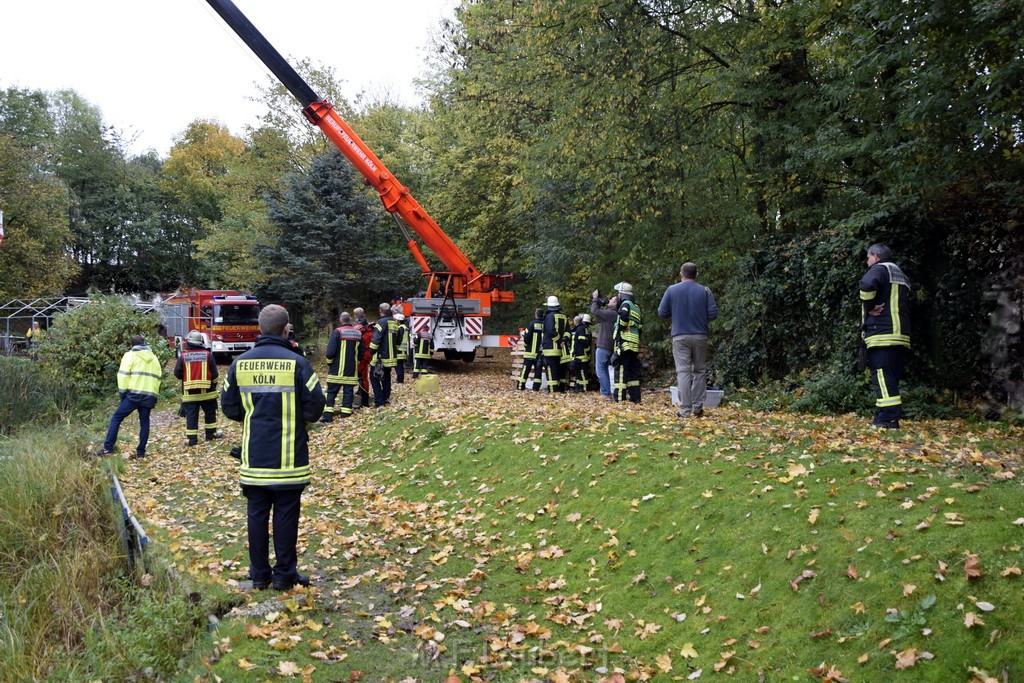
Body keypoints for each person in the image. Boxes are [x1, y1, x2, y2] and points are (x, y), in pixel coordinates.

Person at [220, 304, 326, 591]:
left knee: (255, 516)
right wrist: (295, 417)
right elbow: (317, 406)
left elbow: (228, 407)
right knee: (286, 517)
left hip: (253, 457)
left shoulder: (239, 364)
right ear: (285, 328)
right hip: (290, 458)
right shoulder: (298, 363)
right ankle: (284, 576)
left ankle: (258, 575)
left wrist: (254, 416)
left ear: (259, 328)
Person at [860, 243, 911, 429]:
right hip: (901, 334)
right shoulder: (900, 274)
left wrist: (870, 306)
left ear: (875, 256)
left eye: (868, 257)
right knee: (891, 378)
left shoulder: (879, 269)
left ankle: (886, 420)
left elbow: (866, 286)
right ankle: (886, 417)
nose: (867, 261)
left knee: (882, 377)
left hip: (882, 333)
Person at [658, 262, 719, 418]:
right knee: (699, 371)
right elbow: (713, 314)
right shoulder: (705, 291)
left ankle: (685, 410)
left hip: (680, 336)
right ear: (696, 275)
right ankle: (698, 407)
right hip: (700, 335)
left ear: (681, 274)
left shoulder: (672, 290)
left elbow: (662, 312)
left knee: (683, 372)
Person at [97, 335, 162, 458]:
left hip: (133, 395)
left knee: (116, 418)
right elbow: (158, 377)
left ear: (132, 345)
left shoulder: (130, 355)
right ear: (144, 343)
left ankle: (108, 448)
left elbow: (123, 375)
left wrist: (123, 394)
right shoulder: (154, 358)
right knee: (144, 422)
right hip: (149, 395)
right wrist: (154, 395)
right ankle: (141, 452)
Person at [173, 330, 222, 445]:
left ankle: (192, 440)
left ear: (189, 342)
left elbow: (177, 374)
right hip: (208, 393)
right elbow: (215, 374)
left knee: (191, 416)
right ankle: (210, 435)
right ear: (201, 342)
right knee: (210, 413)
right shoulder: (208, 355)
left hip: (190, 395)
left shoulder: (183, 356)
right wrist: (213, 385)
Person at [321, 312, 362, 422]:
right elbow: (361, 353)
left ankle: (327, 416)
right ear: (350, 320)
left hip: (336, 370)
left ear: (341, 320)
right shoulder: (358, 333)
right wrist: (355, 363)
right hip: (351, 370)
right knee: (348, 392)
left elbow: (330, 352)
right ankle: (345, 415)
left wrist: (330, 362)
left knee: (331, 392)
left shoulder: (337, 332)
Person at [612, 282, 643, 403]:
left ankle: (619, 398)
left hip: (624, 342)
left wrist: (622, 327)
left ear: (622, 293)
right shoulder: (637, 307)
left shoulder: (625, 304)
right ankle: (635, 398)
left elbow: (624, 316)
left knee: (621, 369)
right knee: (633, 371)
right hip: (634, 343)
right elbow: (640, 326)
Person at [590, 291, 619, 398]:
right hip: (610, 346)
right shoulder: (614, 314)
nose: (609, 300)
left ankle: (605, 393)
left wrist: (595, 299)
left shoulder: (611, 313)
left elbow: (595, 311)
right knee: (605, 370)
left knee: (601, 370)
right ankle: (606, 392)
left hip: (604, 346)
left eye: (612, 299)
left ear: (615, 304)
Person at [369, 303, 398, 407]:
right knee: (386, 378)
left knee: (374, 377)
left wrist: (370, 352)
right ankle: (386, 399)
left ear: (380, 312)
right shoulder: (395, 323)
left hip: (380, 357)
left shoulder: (380, 323)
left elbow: (375, 340)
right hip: (391, 357)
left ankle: (379, 401)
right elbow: (398, 340)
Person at [541, 296, 568, 394]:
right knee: (558, 369)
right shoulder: (564, 317)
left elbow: (550, 331)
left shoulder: (549, 317)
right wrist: (564, 341)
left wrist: (559, 340)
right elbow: (568, 332)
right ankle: (560, 389)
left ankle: (553, 391)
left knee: (551, 370)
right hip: (560, 350)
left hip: (550, 348)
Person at [516, 308, 546, 391]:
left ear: (536, 315)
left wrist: (526, 346)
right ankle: (536, 388)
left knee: (525, 370)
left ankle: (520, 387)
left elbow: (526, 337)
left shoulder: (532, 324)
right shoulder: (545, 325)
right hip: (540, 354)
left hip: (530, 353)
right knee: (538, 372)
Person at [353, 307, 372, 409]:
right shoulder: (369, 326)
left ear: (356, 316)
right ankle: (361, 394)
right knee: (363, 376)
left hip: (361, 355)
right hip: (368, 353)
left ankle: (364, 401)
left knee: (362, 377)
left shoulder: (357, 328)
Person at [570, 314, 593, 392]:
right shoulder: (585, 329)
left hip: (581, 355)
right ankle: (579, 387)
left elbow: (583, 342)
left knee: (582, 373)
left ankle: (583, 388)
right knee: (579, 373)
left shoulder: (581, 329)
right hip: (581, 355)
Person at [393, 313, 409, 384]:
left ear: (399, 321)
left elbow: (399, 339)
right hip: (403, 349)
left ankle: (399, 380)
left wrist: (395, 346)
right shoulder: (405, 327)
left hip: (399, 349)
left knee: (398, 365)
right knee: (400, 365)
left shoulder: (400, 328)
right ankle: (400, 379)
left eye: (396, 320)